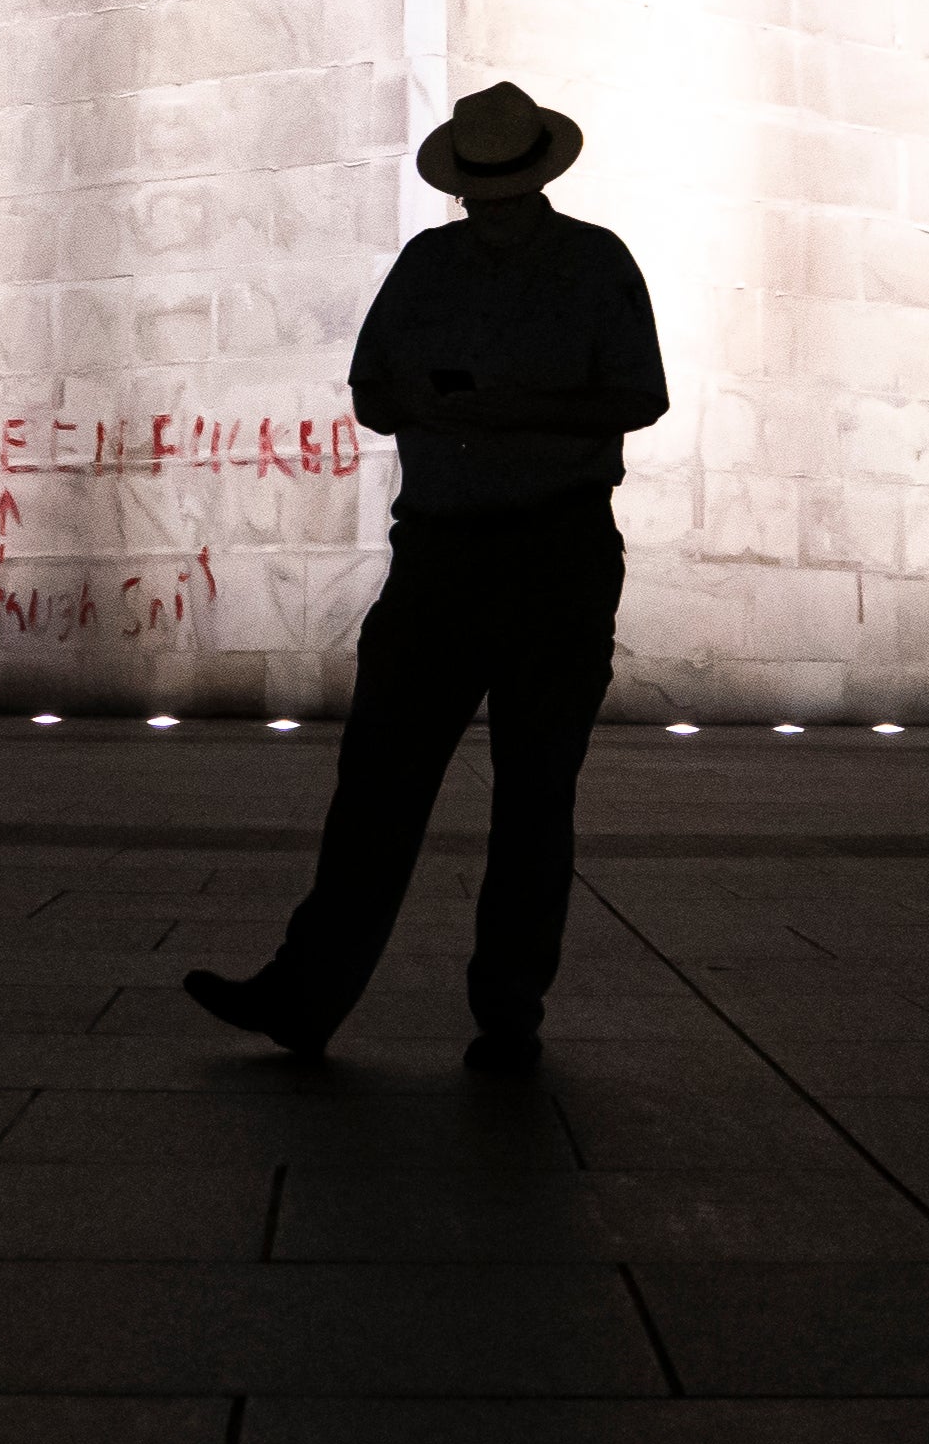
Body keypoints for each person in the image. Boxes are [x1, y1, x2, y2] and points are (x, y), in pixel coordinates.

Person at [185, 80, 668, 1072]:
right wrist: (437, 404)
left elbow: (639, 395)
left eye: (501, 193)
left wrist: (506, 409)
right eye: (478, 195)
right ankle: (307, 993)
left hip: (553, 551)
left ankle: (504, 1010)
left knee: (533, 794)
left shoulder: (594, 261)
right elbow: (370, 388)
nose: (487, 212)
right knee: (377, 783)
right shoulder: (430, 264)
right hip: (444, 550)